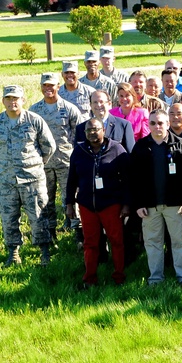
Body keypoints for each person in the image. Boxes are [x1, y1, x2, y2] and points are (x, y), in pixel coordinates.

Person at [0, 85, 56, 266]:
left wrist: (35, 164)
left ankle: (44, 252)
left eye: (16, 98)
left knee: (38, 216)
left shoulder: (34, 120)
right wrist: (5, 165)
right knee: (8, 218)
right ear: (3, 101)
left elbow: (49, 146)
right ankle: (13, 253)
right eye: (8, 98)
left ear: (23, 100)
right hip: (7, 181)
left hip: (32, 179)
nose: (12, 102)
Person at [130, 109, 182, 286]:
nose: (157, 126)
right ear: (148, 125)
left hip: (176, 205)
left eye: (161, 123)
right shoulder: (141, 147)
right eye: (153, 123)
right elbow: (134, 179)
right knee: (153, 243)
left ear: (168, 124)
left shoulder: (181, 145)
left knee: (180, 242)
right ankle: (156, 278)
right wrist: (138, 204)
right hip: (149, 206)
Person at [65, 117, 130, 287]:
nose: (92, 133)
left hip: (111, 204)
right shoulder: (79, 151)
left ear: (104, 130)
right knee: (90, 243)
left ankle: (119, 277)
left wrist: (126, 204)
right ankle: (90, 278)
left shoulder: (116, 149)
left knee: (116, 241)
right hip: (87, 205)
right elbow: (72, 179)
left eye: (96, 129)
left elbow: (127, 180)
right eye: (88, 130)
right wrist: (69, 203)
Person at [30, 72, 84, 240]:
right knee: (46, 199)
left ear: (58, 87)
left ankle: (78, 232)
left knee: (72, 198)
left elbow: (79, 136)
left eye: (51, 85)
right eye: (45, 86)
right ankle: (50, 232)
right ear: (41, 87)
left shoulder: (69, 109)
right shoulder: (34, 111)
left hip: (66, 162)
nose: (48, 89)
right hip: (44, 164)